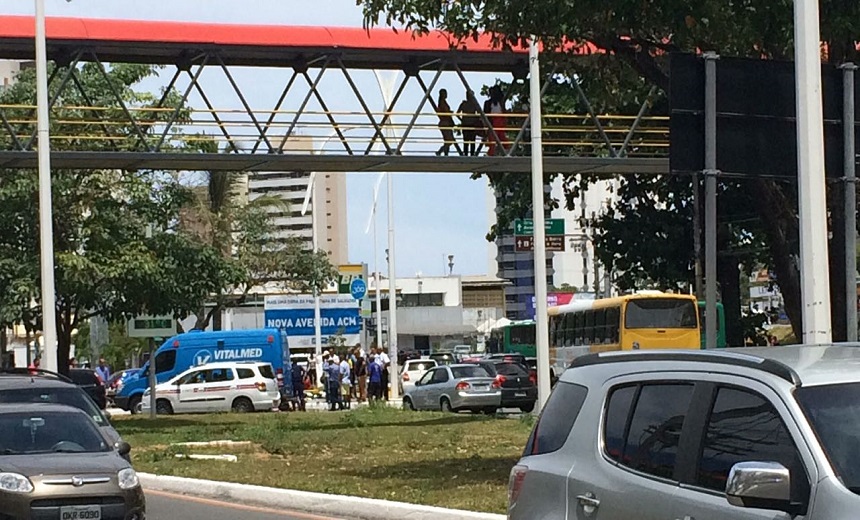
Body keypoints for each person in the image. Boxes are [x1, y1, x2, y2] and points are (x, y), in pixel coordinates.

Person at [457, 90, 482, 156]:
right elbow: (479, 113)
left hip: (467, 123)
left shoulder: (465, 104)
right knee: (471, 141)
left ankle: (467, 154)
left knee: (467, 141)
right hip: (470, 123)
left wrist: (462, 120)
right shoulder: (473, 104)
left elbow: (457, 113)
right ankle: (471, 154)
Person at [484, 85, 507, 156]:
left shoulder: (501, 102)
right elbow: (485, 114)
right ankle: (491, 153)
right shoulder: (488, 103)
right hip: (492, 122)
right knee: (492, 139)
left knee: (502, 138)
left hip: (500, 121)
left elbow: (503, 111)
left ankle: (504, 152)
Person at [435, 89, 456, 156]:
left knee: (447, 140)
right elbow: (445, 112)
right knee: (450, 140)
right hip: (445, 122)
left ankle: (446, 153)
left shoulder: (442, 102)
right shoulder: (442, 102)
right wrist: (450, 112)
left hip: (446, 122)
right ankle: (440, 151)